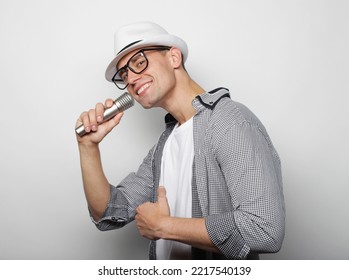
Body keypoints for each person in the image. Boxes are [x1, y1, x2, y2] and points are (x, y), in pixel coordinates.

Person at [75, 21, 285, 260]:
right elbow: (109, 212)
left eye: (139, 62)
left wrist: (165, 226)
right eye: (124, 74)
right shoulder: (164, 146)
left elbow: (265, 229)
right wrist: (88, 147)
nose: (131, 79)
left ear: (174, 57)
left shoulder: (230, 121)